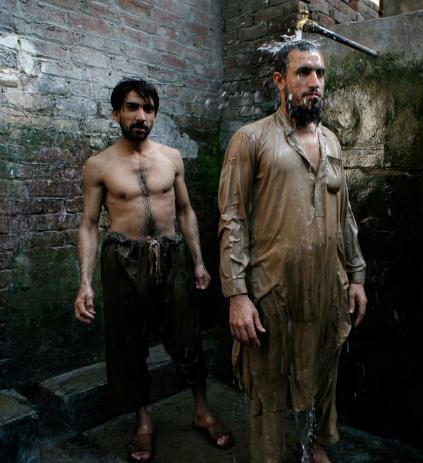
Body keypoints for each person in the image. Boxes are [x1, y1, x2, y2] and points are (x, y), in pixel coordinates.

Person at [218, 40, 367, 463]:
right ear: (280, 81)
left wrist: (356, 276)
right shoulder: (251, 140)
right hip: (273, 291)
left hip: (328, 286)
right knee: (268, 384)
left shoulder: (334, 142)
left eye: (319, 73)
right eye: (303, 73)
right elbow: (231, 219)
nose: (314, 82)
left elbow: (345, 216)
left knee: (323, 370)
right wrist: (237, 294)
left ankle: (316, 444)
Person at [74, 79, 233, 462]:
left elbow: (184, 211)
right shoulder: (100, 165)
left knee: (187, 337)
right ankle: (143, 422)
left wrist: (197, 261)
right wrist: (84, 284)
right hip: (123, 259)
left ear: (155, 114)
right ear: (116, 114)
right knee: (128, 345)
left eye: (148, 109)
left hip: (170, 256)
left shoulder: (171, 157)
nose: (141, 116)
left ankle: (201, 412)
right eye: (132, 108)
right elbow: (89, 224)